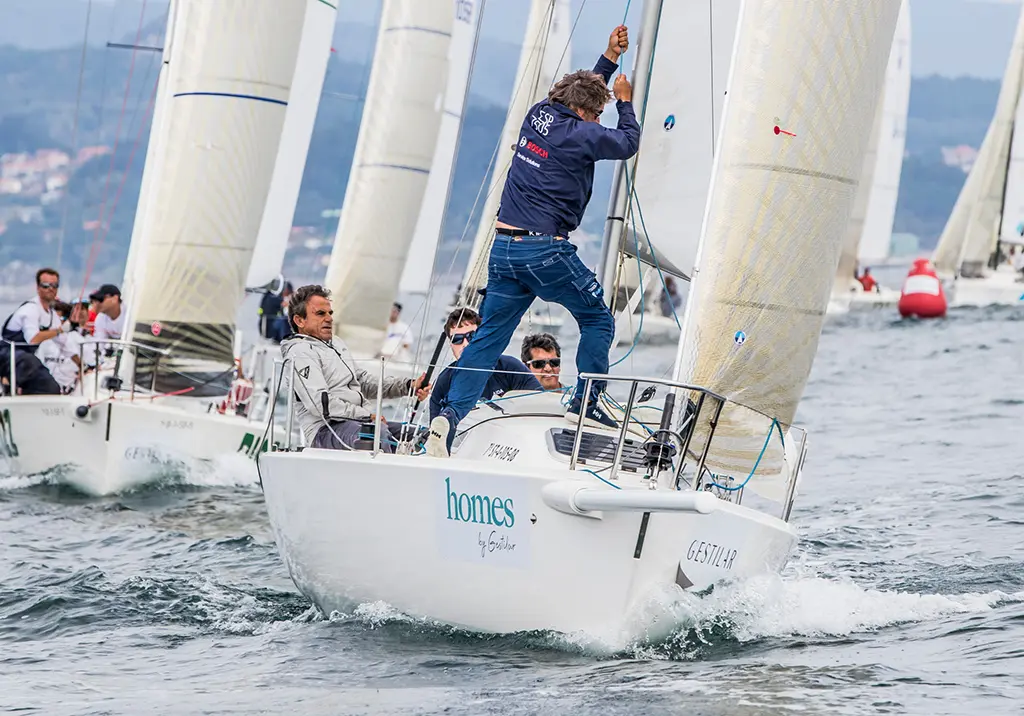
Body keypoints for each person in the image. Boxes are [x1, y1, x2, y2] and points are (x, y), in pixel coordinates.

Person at [427, 26, 640, 457]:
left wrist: (608, 56)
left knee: (487, 340)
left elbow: (580, 93)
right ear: (584, 113)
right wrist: (624, 102)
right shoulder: (583, 133)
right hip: (544, 250)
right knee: (598, 320)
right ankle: (585, 404)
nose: (598, 122)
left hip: (503, 250)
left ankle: (447, 418)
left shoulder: (539, 113)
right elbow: (627, 143)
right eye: (595, 114)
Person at [281, 285, 430, 452]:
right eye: (320, 314)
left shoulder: (336, 343)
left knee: (422, 435)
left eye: (330, 313)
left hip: (358, 423)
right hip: (325, 431)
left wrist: (409, 386)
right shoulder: (299, 351)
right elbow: (320, 404)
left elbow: (363, 382)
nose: (329, 319)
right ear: (299, 321)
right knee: (375, 435)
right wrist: (366, 415)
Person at [429, 308, 541, 424]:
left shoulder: (510, 368)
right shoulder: (442, 383)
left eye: (471, 336)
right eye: (457, 339)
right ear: (450, 344)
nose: (465, 344)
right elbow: (435, 431)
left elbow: (540, 404)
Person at [0, 267, 65, 395]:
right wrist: (59, 331)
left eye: (54, 285)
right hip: (7, 354)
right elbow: (33, 338)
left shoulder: (52, 315)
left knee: (50, 385)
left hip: (24, 357)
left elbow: (64, 343)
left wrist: (83, 365)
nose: (50, 289)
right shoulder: (30, 309)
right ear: (38, 287)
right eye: (45, 285)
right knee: (46, 384)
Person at [36, 301, 94, 393]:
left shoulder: (79, 341)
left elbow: (91, 367)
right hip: (45, 392)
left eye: (59, 320)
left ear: (67, 321)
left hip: (71, 393)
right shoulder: (44, 342)